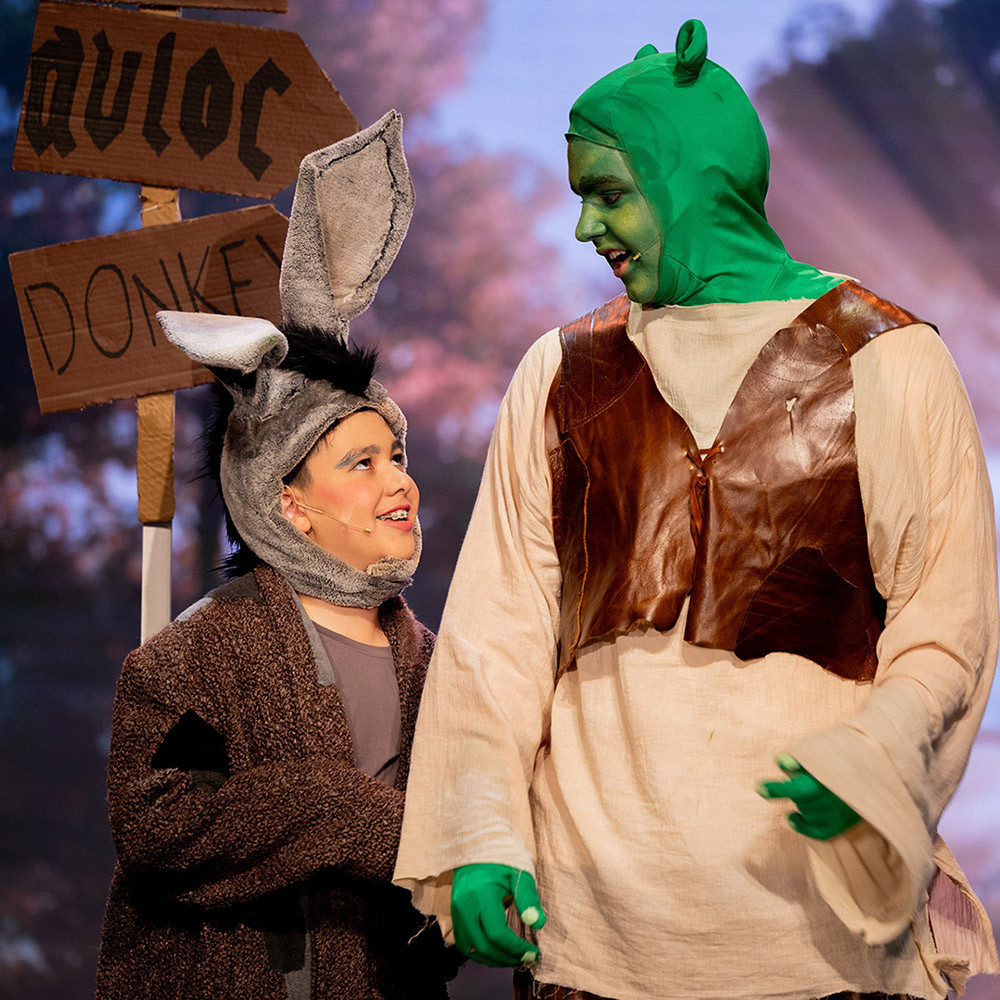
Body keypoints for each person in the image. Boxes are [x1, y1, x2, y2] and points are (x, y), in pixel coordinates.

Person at [393, 21, 1000, 1000]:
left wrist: (876, 758)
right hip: (592, 944)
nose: (585, 228)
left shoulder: (887, 359)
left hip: (818, 947)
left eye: (608, 194)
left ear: (696, 180)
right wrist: (478, 835)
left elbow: (947, 623)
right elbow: (496, 637)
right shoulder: (561, 372)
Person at [96, 112, 458, 1000]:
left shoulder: (434, 662)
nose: (399, 481)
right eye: (362, 463)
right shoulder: (198, 656)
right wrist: (342, 812)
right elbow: (155, 823)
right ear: (287, 503)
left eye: (398, 456)